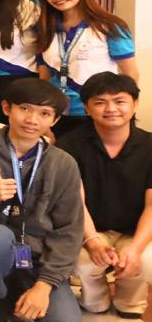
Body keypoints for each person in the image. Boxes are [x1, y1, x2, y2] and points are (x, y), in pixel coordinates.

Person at [0, 78, 83, 321]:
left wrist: (44, 285)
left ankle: (20, 294)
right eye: (24, 108)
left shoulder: (63, 164)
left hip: (36, 260)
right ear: (6, 108)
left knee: (66, 319)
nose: (32, 120)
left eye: (44, 113)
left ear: (54, 120)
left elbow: (69, 230)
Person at [56, 72, 152, 319]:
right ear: (87, 108)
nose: (111, 109)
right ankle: (95, 301)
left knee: (146, 259)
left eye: (119, 101)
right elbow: (75, 201)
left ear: (134, 104)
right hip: (89, 230)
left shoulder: (150, 145)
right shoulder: (69, 146)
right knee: (84, 261)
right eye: (100, 102)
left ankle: (130, 304)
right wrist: (92, 241)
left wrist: (135, 248)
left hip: (134, 231)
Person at [36, 0, 138, 136]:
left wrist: (126, 111)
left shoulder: (110, 26)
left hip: (97, 113)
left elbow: (131, 73)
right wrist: (43, 117)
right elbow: (44, 78)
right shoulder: (46, 28)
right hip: (56, 114)